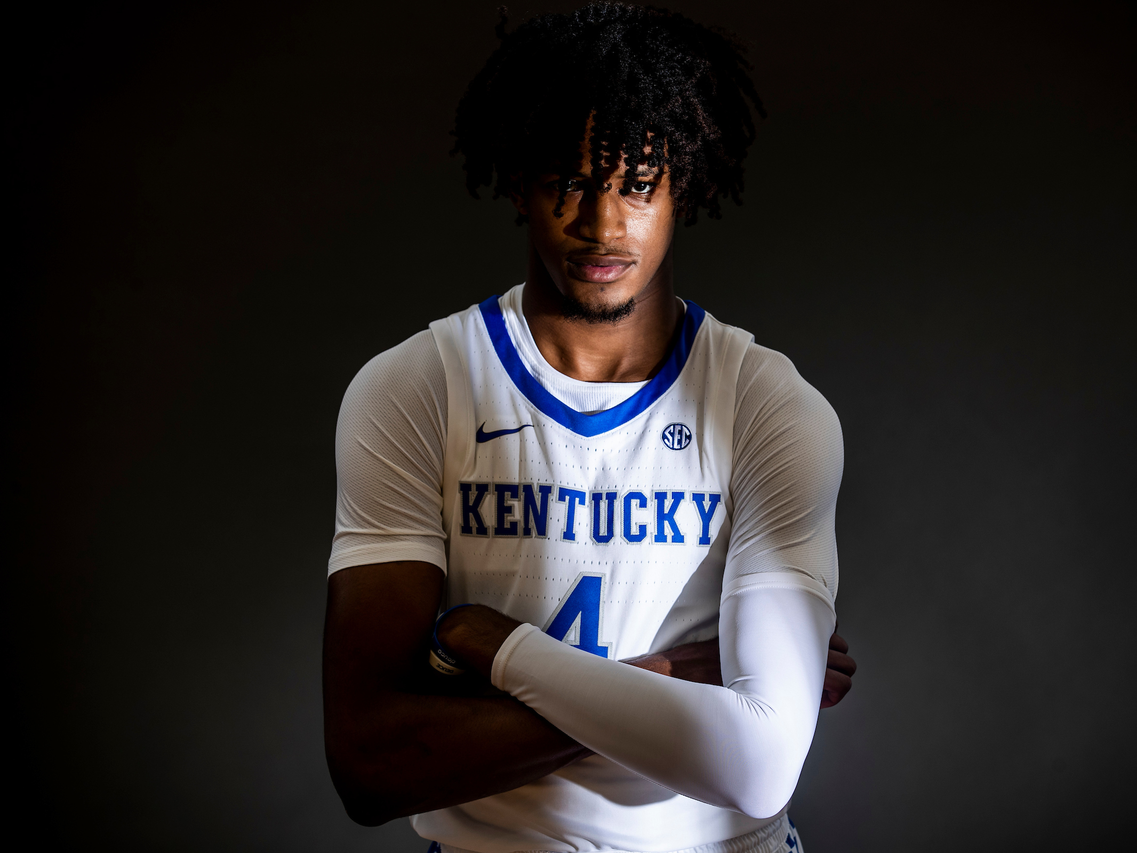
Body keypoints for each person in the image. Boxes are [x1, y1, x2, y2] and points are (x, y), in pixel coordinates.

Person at [322, 4, 855, 852]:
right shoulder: (415, 389)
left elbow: (759, 764)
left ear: (688, 186)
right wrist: (668, 678)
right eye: (566, 181)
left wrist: (496, 647)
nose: (602, 225)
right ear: (516, 185)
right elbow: (371, 763)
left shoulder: (769, 407)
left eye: (638, 184)